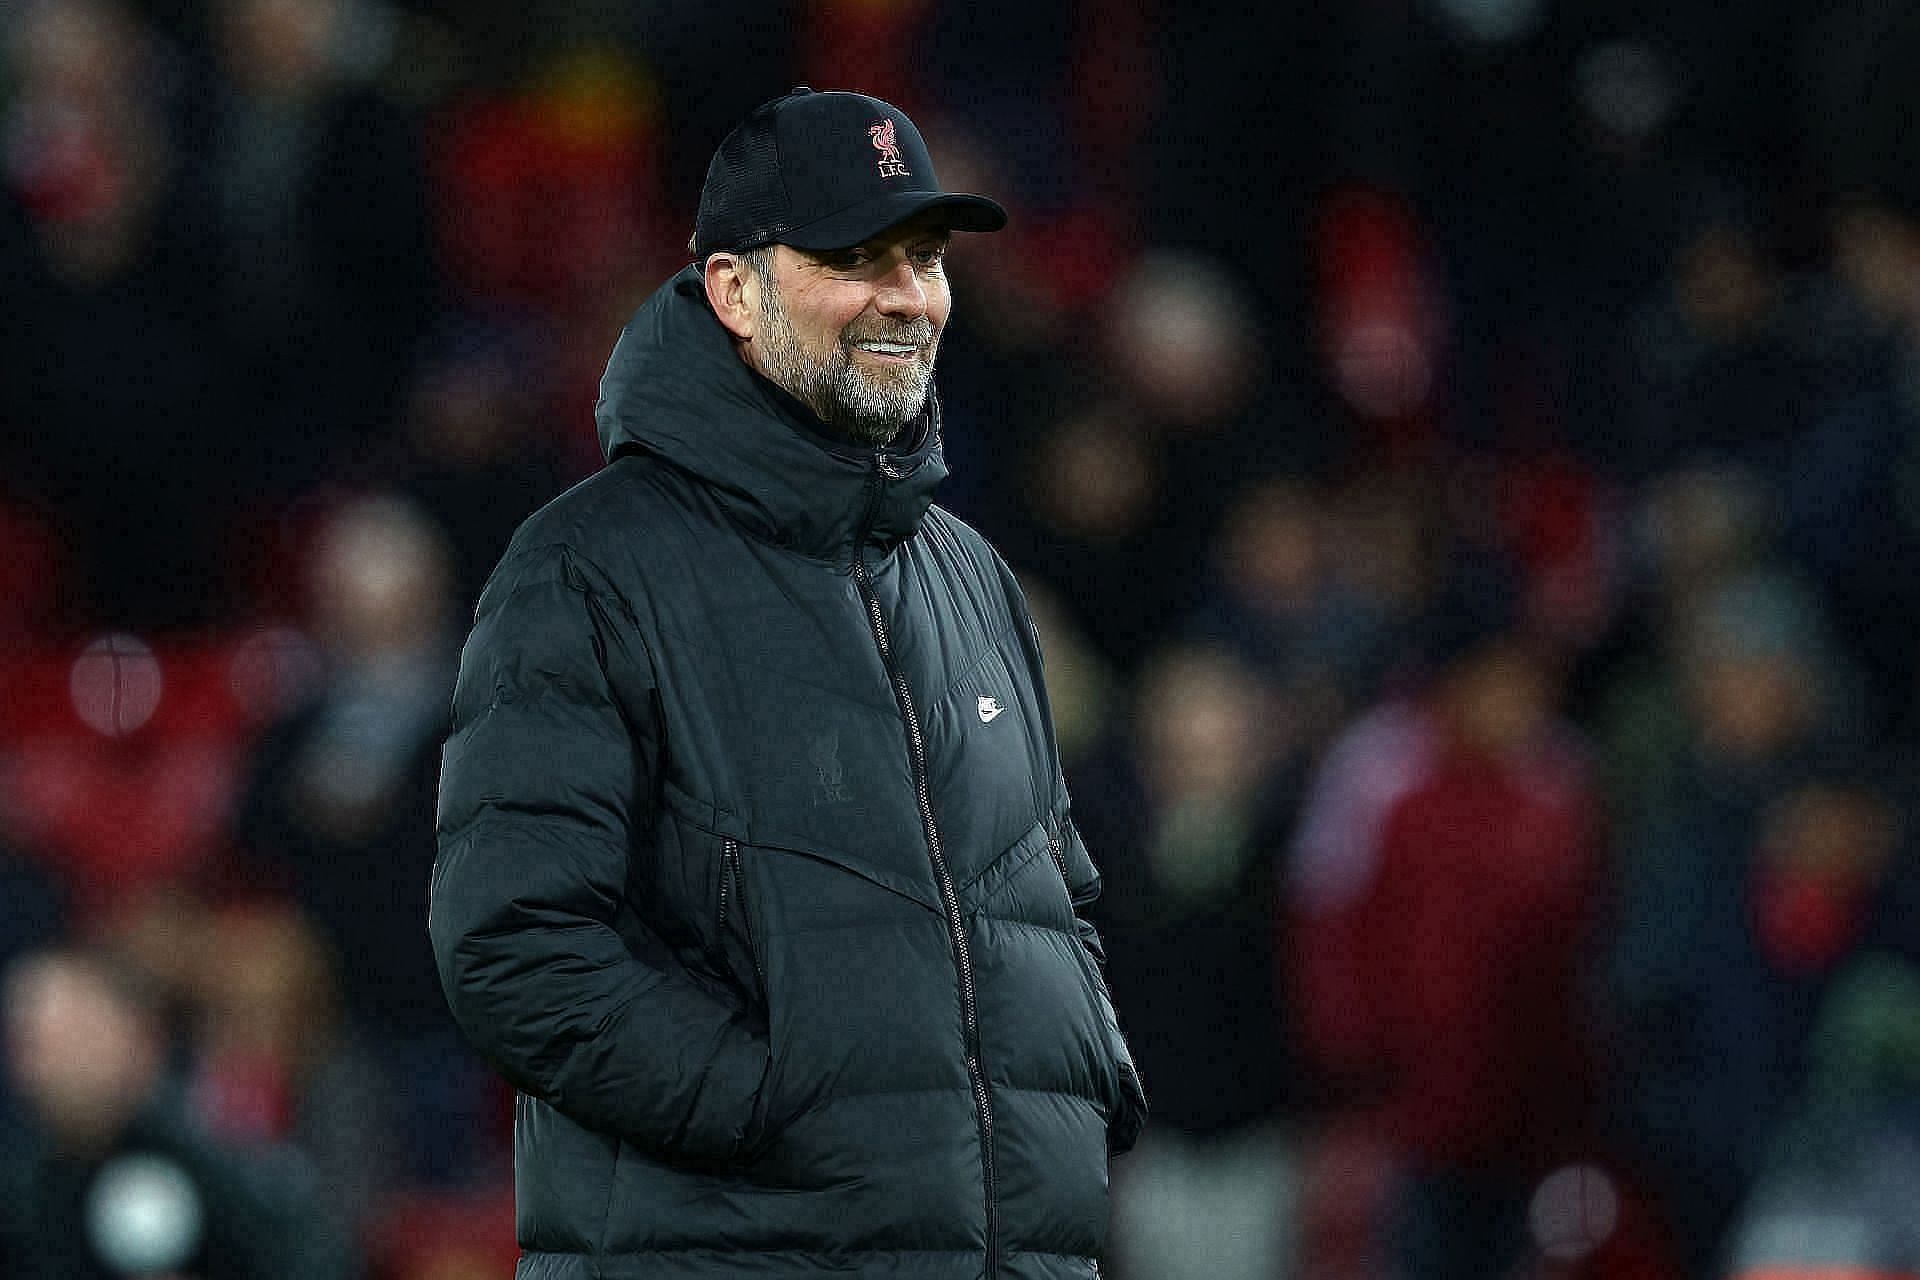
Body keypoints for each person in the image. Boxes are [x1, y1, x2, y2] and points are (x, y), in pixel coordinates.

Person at [429, 87, 1145, 1279]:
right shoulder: (589, 566)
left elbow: (1050, 895)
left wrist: (1081, 1083)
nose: (907, 294)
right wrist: (771, 1103)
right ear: (733, 291)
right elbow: (512, 941)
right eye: (854, 257)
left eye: (922, 256)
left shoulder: (968, 573)